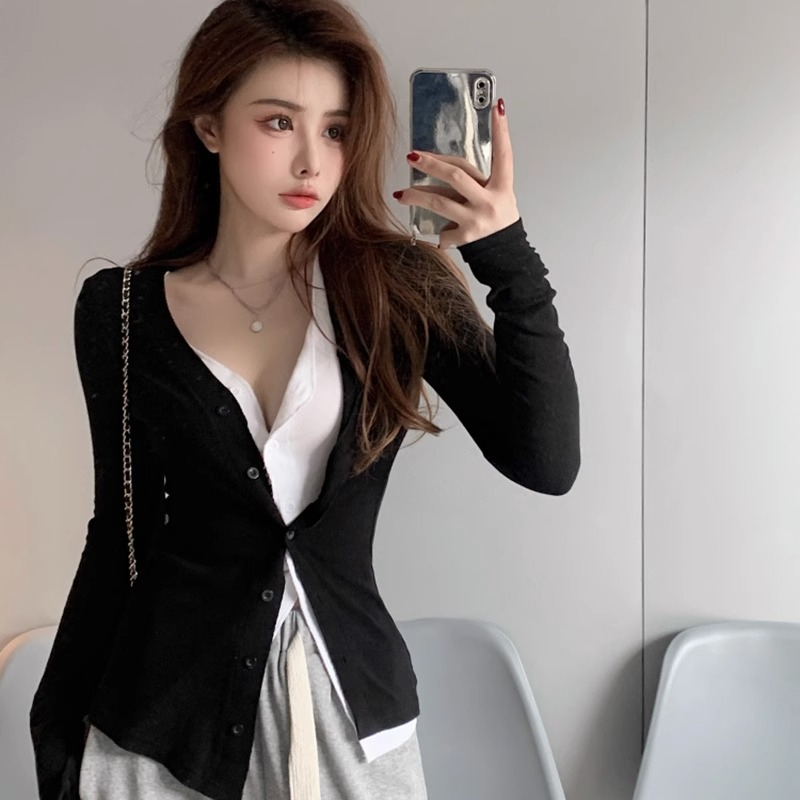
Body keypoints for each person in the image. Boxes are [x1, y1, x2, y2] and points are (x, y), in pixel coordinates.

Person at [28, 0, 581, 798]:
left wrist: (507, 255)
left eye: (336, 129)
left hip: (348, 722)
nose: (312, 162)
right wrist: (58, 742)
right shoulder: (119, 311)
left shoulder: (394, 289)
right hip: (159, 735)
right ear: (209, 125)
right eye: (279, 122)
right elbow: (118, 535)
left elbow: (546, 460)